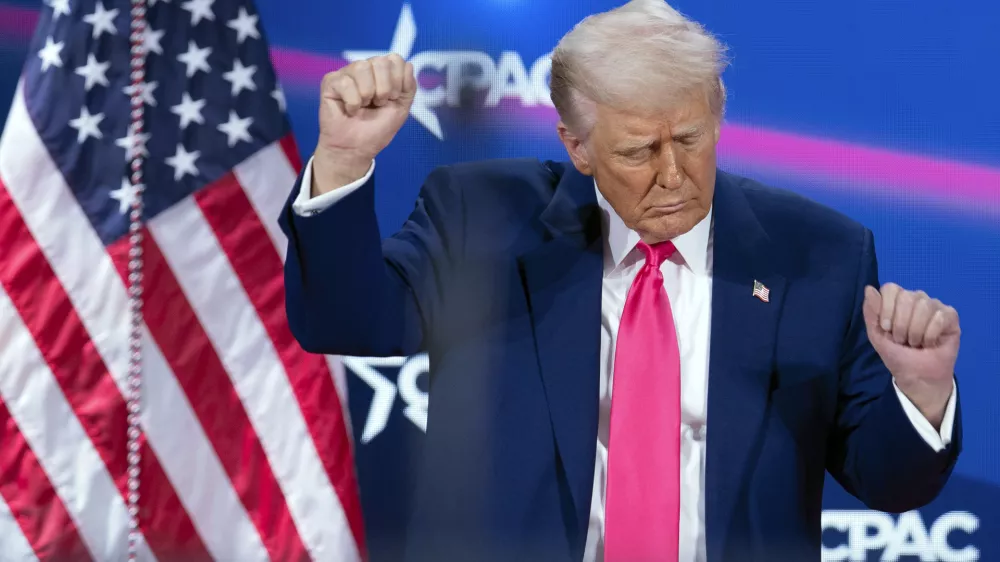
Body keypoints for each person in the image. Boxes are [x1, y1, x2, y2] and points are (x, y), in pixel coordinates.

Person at [279, 1, 963, 560]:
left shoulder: (820, 255)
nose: (673, 174)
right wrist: (340, 160)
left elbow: (891, 481)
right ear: (576, 145)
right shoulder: (482, 219)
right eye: (639, 151)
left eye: (691, 139)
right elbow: (345, 319)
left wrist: (923, 390)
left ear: (718, 110)